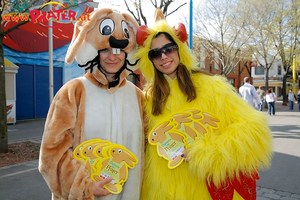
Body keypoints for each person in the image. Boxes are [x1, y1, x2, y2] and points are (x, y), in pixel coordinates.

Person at [134, 9, 272, 200]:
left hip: (201, 190)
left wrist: (205, 152)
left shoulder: (211, 87)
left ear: (180, 49)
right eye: (155, 53)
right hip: (160, 192)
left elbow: (255, 130)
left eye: (169, 49)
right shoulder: (149, 98)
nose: (164, 57)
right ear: (150, 61)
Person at [38, 8, 145, 200]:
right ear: (94, 50)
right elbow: (51, 154)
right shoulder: (73, 91)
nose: (113, 56)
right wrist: (84, 186)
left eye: (119, 50)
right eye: (105, 49)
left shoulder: (137, 96)